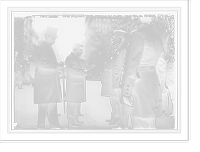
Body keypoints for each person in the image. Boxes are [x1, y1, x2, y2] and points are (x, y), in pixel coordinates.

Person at [122, 16, 165, 129]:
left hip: (140, 85)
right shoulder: (156, 36)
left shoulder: (138, 34)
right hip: (152, 83)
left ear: (137, 19)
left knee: (140, 124)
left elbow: (131, 67)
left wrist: (126, 92)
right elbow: (162, 65)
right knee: (150, 124)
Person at [34, 26, 64, 129]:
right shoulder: (39, 47)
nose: (54, 40)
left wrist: (59, 67)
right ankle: (40, 127)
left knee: (52, 104)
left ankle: (55, 125)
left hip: (50, 82)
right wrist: (56, 63)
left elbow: (50, 64)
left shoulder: (49, 48)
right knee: (43, 105)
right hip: (44, 83)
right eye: (53, 38)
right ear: (47, 36)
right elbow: (40, 62)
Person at [65, 43, 88, 128]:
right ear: (75, 49)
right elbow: (71, 70)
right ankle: (71, 121)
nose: (82, 52)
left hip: (77, 85)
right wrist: (83, 71)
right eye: (80, 50)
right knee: (72, 103)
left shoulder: (77, 58)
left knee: (76, 103)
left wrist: (85, 71)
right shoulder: (70, 58)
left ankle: (75, 119)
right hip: (73, 85)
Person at [109, 29, 127, 126]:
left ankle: (122, 122)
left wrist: (121, 79)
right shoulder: (119, 49)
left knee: (121, 101)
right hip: (116, 79)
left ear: (120, 38)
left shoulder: (123, 48)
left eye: (115, 38)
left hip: (119, 79)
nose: (114, 39)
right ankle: (120, 121)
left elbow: (124, 65)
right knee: (118, 100)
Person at [101, 39, 119, 123]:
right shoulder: (113, 54)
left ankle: (116, 117)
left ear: (116, 45)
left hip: (113, 81)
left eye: (112, 45)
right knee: (112, 100)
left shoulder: (116, 54)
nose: (110, 47)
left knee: (115, 101)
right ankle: (113, 116)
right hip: (110, 81)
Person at [165, 48, 176, 121]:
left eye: (172, 48)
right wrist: (166, 82)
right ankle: (173, 112)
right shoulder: (170, 58)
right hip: (170, 82)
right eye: (170, 49)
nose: (171, 50)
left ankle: (176, 114)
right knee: (172, 99)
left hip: (174, 82)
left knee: (176, 99)